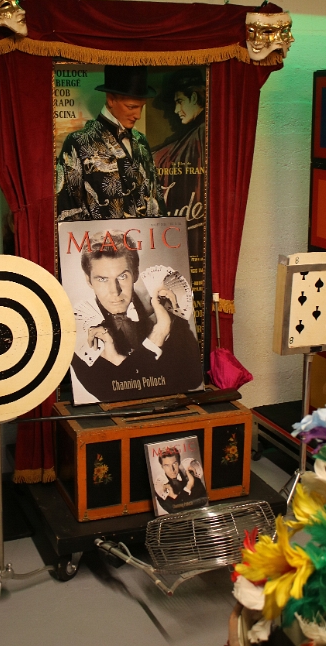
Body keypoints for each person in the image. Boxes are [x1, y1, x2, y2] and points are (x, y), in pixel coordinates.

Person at [70, 230, 203, 403]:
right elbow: (110, 394)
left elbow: (193, 379)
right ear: (89, 281)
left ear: (135, 274)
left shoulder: (160, 305)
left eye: (122, 276)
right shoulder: (80, 328)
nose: (115, 291)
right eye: (102, 279)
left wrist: (170, 321)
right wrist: (159, 332)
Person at [56, 65, 166, 221]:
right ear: (111, 99)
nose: (138, 115)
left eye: (141, 107)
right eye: (132, 107)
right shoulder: (78, 142)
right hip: (98, 236)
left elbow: (156, 197)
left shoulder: (141, 141)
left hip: (145, 236)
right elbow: (67, 206)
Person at [153, 68, 206, 181]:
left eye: (179, 101)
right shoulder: (195, 131)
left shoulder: (201, 132)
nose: (176, 110)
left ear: (194, 98)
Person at [155, 448, 208, 515]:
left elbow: (203, 500)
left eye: (174, 464)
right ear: (162, 466)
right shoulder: (160, 487)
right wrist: (189, 486)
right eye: (167, 465)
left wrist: (177, 498)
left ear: (179, 462)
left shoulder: (192, 476)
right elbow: (174, 510)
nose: (172, 469)